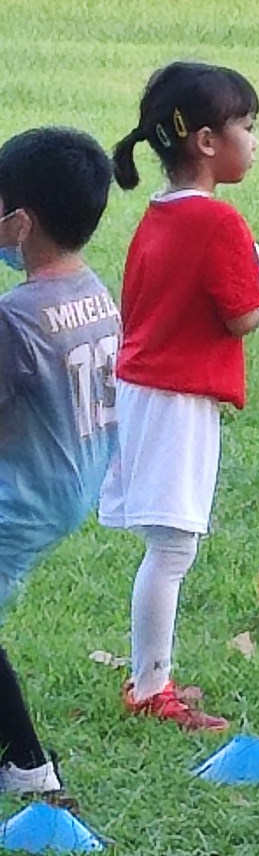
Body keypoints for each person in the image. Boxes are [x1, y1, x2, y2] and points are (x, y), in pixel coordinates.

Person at [101, 62, 259, 732]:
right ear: (206, 141)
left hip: (144, 390)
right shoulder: (219, 222)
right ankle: (150, 688)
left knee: (168, 545)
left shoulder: (158, 214)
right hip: (176, 399)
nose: (254, 141)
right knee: (172, 549)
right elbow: (243, 316)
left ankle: (152, 676)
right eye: (247, 127)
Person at [0, 128, 120, 795]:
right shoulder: (94, 292)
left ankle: (29, 768)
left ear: (22, 222)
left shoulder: (16, 316)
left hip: (21, 494)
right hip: (68, 486)